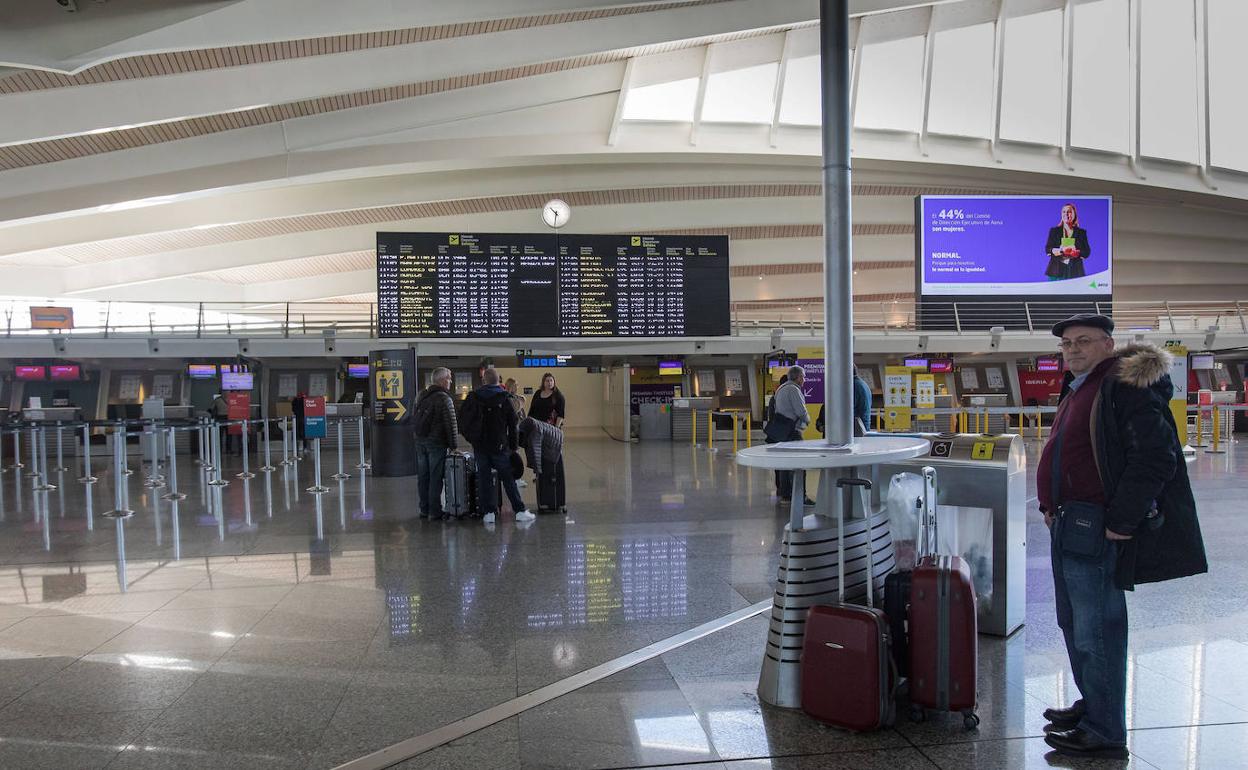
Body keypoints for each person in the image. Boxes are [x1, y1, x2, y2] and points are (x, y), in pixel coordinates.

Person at [1037, 314, 1206, 760]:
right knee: (1074, 623)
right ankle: (1096, 704)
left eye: (1084, 341)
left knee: (1098, 629)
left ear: (1108, 344)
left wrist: (1121, 521)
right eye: (1067, 343)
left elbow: (1155, 456)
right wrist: (1050, 506)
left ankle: (1106, 730)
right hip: (1071, 523)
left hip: (1097, 526)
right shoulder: (1082, 386)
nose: (1072, 349)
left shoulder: (1123, 386)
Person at [460, 368, 534, 525]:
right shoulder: (505, 398)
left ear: (484, 380)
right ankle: (519, 511)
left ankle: (489, 513)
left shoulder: (473, 397)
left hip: (480, 445)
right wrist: (513, 446)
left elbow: (463, 421)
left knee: (484, 478)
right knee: (508, 478)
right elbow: (513, 425)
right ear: (498, 381)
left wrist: (472, 439)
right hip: (500, 445)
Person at [412, 367, 458, 521]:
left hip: (420, 441)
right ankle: (435, 512)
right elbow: (451, 424)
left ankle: (424, 510)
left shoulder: (421, 396)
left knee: (423, 476)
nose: (450, 381)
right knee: (435, 477)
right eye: (449, 378)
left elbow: (414, 418)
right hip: (436, 443)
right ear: (442, 380)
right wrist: (454, 446)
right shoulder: (444, 398)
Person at [768, 366, 813, 506]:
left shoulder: (780, 389)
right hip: (793, 431)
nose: (804, 380)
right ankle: (801, 496)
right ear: (798, 377)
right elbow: (801, 411)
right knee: (800, 465)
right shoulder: (794, 389)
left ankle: (786, 495)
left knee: (785, 464)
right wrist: (808, 420)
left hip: (782, 431)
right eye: (803, 377)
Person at [518, 415, 566, 513]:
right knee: (548, 475)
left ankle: (552, 504)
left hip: (553, 446)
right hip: (553, 440)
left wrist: (537, 470)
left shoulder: (533, 432)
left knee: (550, 476)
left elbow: (536, 452)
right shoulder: (528, 425)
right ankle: (549, 503)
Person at [815, 365, 872, 436]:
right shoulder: (863, 385)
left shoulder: (851, 386)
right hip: (861, 429)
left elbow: (844, 411)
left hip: (851, 432)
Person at [1044, 202, 1091, 281]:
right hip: (1056, 272)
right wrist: (1061, 251)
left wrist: (1077, 252)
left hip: (1075, 272)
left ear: (1074, 214)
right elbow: (1048, 249)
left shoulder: (1081, 232)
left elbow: (1087, 252)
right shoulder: (1054, 231)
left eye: (1069, 211)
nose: (1066, 214)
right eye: (1064, 212)